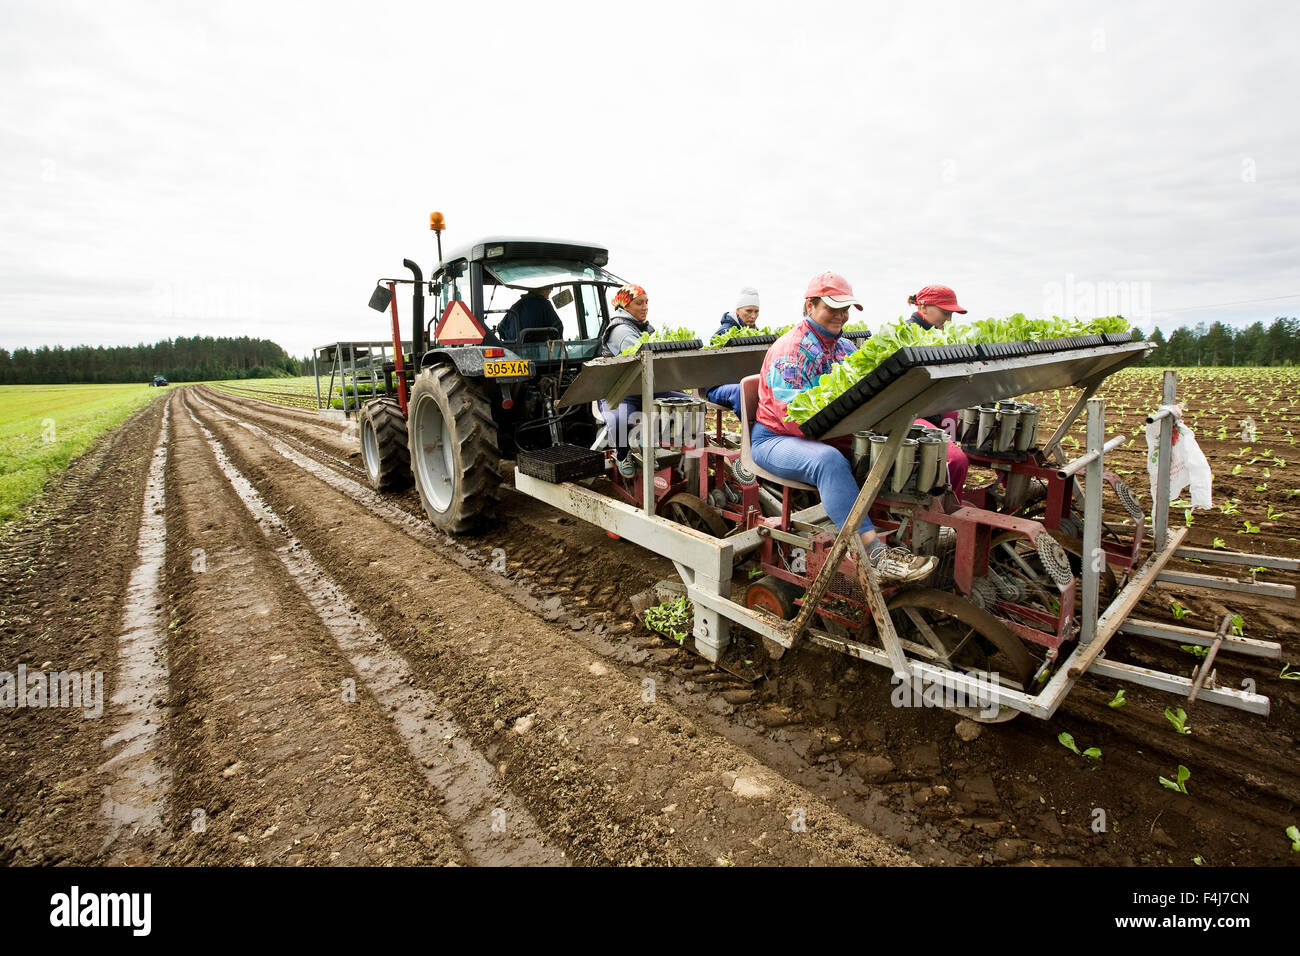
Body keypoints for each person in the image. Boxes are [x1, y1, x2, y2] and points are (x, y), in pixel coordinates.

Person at [749, 271, 937, 585]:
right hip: (775, 439)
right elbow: (793, 419)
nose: (841, 316)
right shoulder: (789, 352)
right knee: (829, 461)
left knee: (894, 442)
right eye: (832, 307)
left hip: (825, 433)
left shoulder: (844, 348)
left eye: (845, 308)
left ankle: (912, 522)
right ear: (809, 305)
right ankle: (872, 553)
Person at [597, 284, 691, 477]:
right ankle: (623, 454)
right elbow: (644, 358)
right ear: (625, 306)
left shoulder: (642, 328)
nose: (645, 307)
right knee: (620, 419)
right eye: (639, 303)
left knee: (689, 404)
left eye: (647, 302)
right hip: (620, 393)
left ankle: (654, 444)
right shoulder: (621, 331)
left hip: (648, 389)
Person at [908, 285, 970, 499]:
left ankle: (939, 479)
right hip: (910, 412)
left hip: (930, 407)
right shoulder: (907, 336)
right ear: (923, 307)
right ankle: (945, 508)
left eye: (951, 314)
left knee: (963, 418)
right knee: (956, 460)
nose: (948, 319)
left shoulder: (934, 335)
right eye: (945, 313)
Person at [705, 287, 760, 411]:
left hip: (741, 383)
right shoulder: (724, 332)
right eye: (749, 311)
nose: (753, 316)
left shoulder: (755, 333)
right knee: (741, 391)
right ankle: (751, 430)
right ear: (738, 310)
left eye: (756, 311)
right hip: (717, 388)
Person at [498, 285, 563, 342]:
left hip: (514, 352)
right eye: (549, 292)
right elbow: (558, 327)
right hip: (538, 351)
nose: (548, 297)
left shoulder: (515, 306)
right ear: (543, 290)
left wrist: (513, 342)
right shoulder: (544, 304)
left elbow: (500, 329)